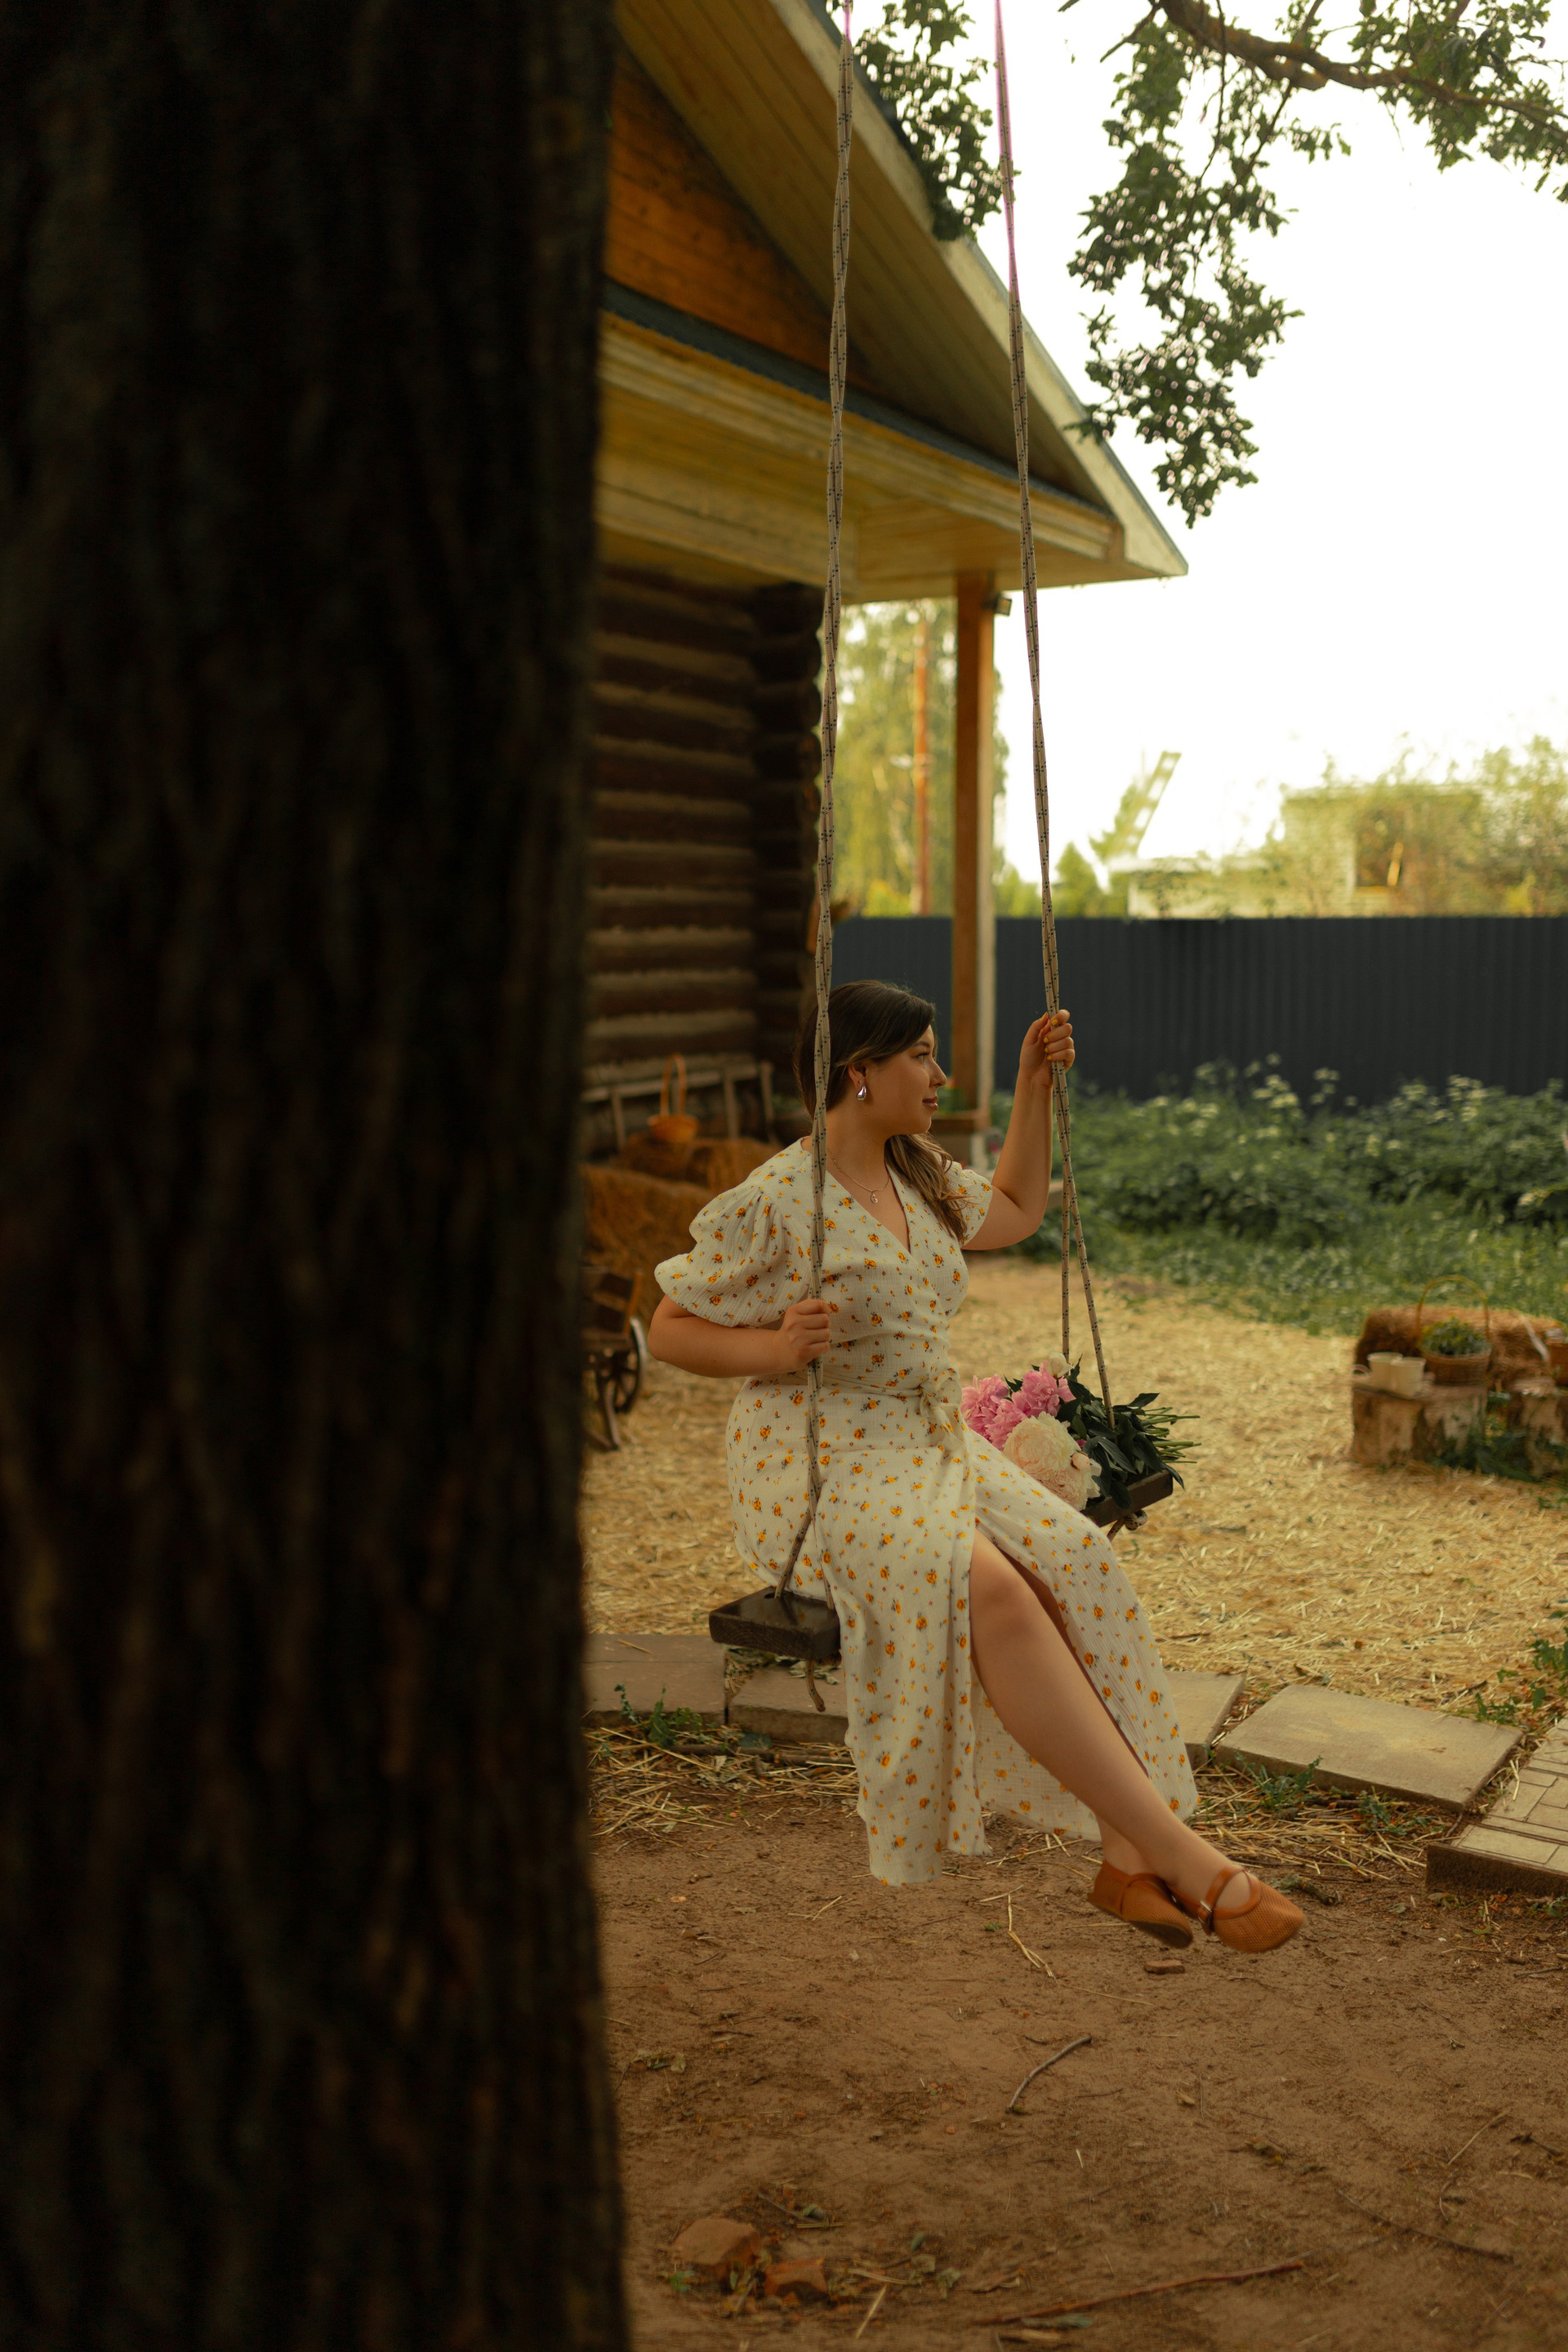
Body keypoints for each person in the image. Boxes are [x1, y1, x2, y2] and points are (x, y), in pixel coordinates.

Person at [648, 980, 1301, 1953]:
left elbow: (1020, 1209)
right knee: (985, 1585)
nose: (940, 1074)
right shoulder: (781, 1199)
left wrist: (1034, 1084)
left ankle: (1129, 1860)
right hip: (820, 1460)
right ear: (858, 1071)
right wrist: (775, 1349)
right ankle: (1186, 1859)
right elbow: (669, 1328)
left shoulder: (917, 1174)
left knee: (1073, 1559)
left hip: (927, 1442)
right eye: (921, 1054)